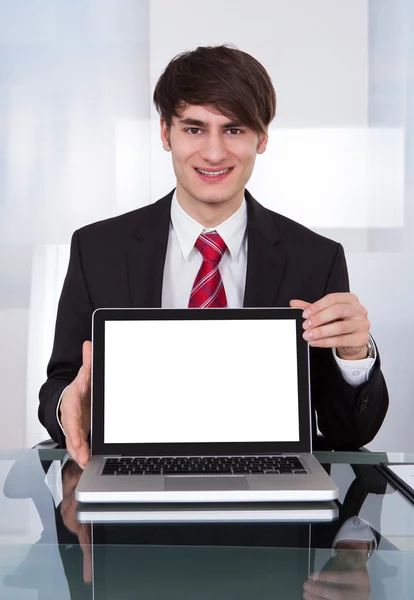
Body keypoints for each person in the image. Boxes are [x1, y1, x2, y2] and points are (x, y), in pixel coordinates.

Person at [38, 45, 388, 468]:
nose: (215, 153)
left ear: (262, 137)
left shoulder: (316, 258)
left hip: (270, 500)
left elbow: (348, 434)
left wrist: (354, 359)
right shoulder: (98, 249)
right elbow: (61, 381)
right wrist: (67, 405)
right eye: (194, 128)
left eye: (235, 130)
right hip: (134, 480)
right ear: (165, 133)